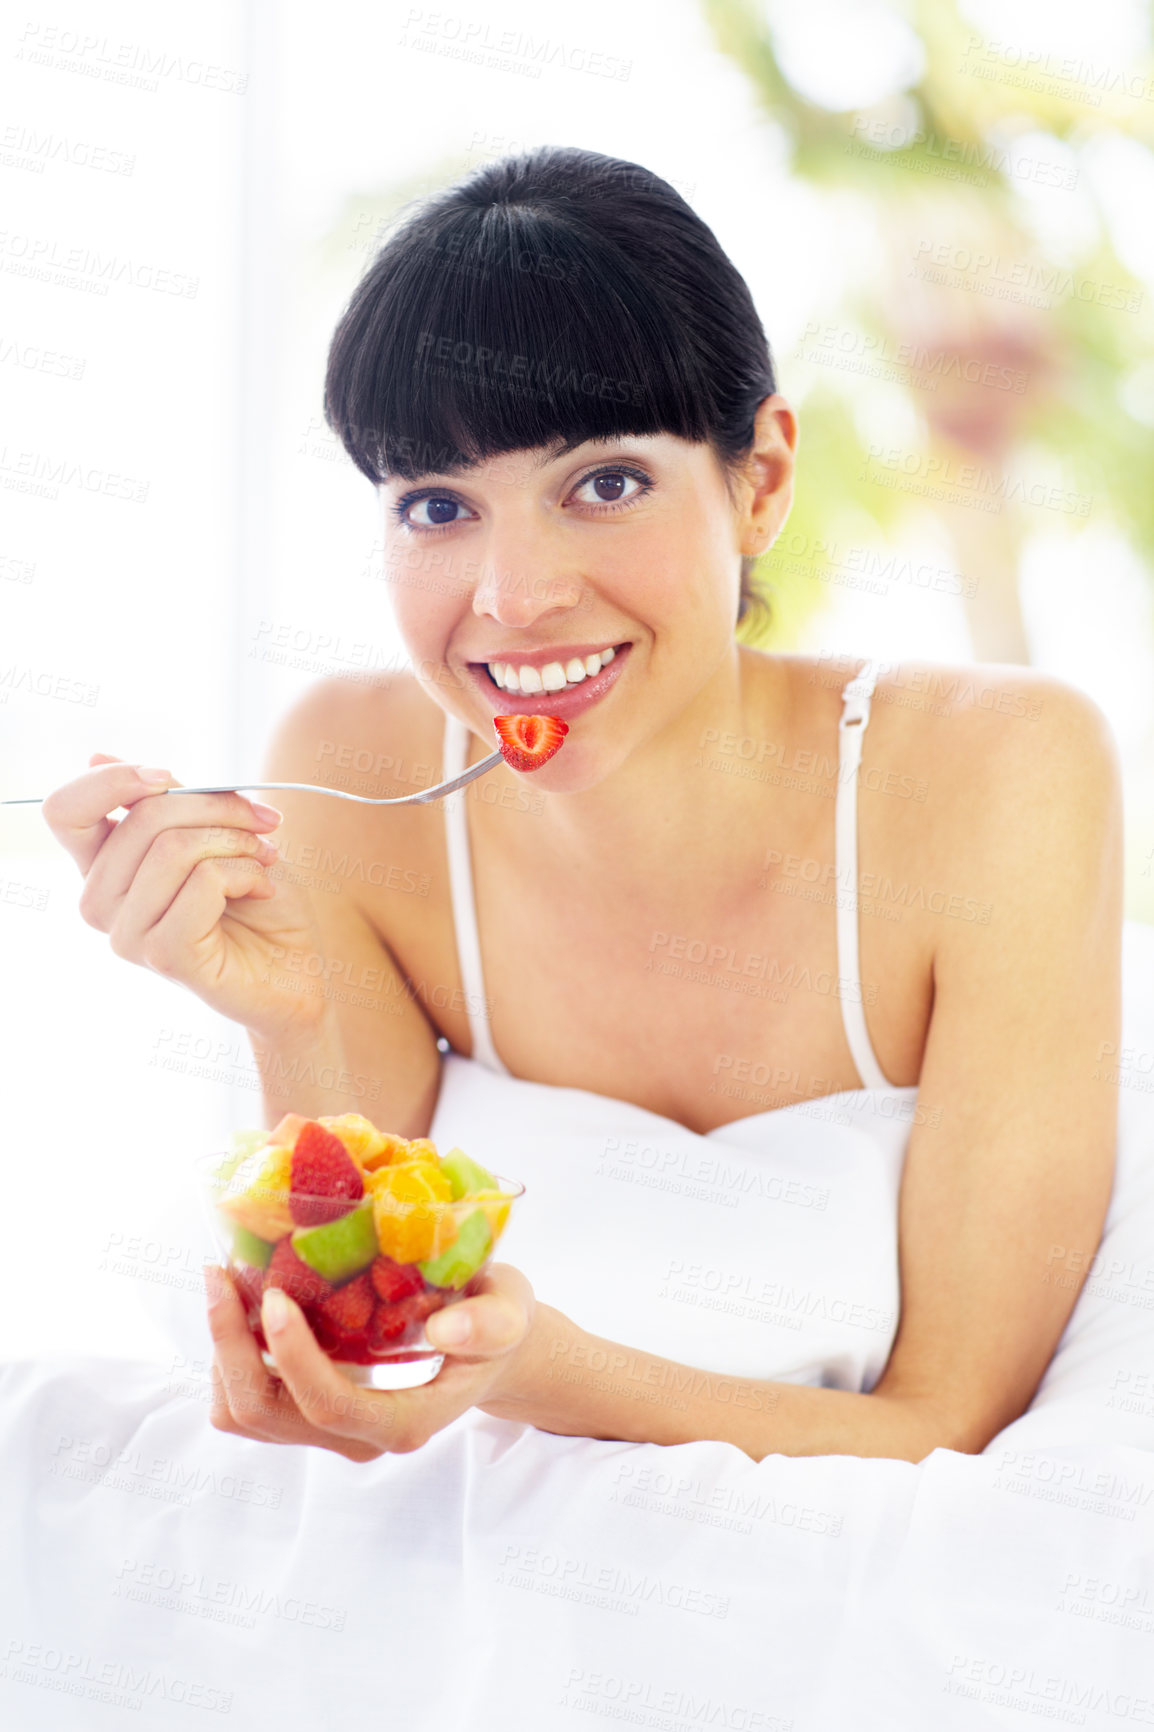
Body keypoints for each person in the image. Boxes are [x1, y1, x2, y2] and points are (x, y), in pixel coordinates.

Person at [42, 144, 1122, 1470]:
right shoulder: (353, 771)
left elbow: (943, 1422)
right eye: (437, 506)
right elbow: (359, 1352)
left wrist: (542, 1371)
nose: (511, 596)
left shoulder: (996, 772)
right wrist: (290, 1013)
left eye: (602, 485)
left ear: (760, 480)